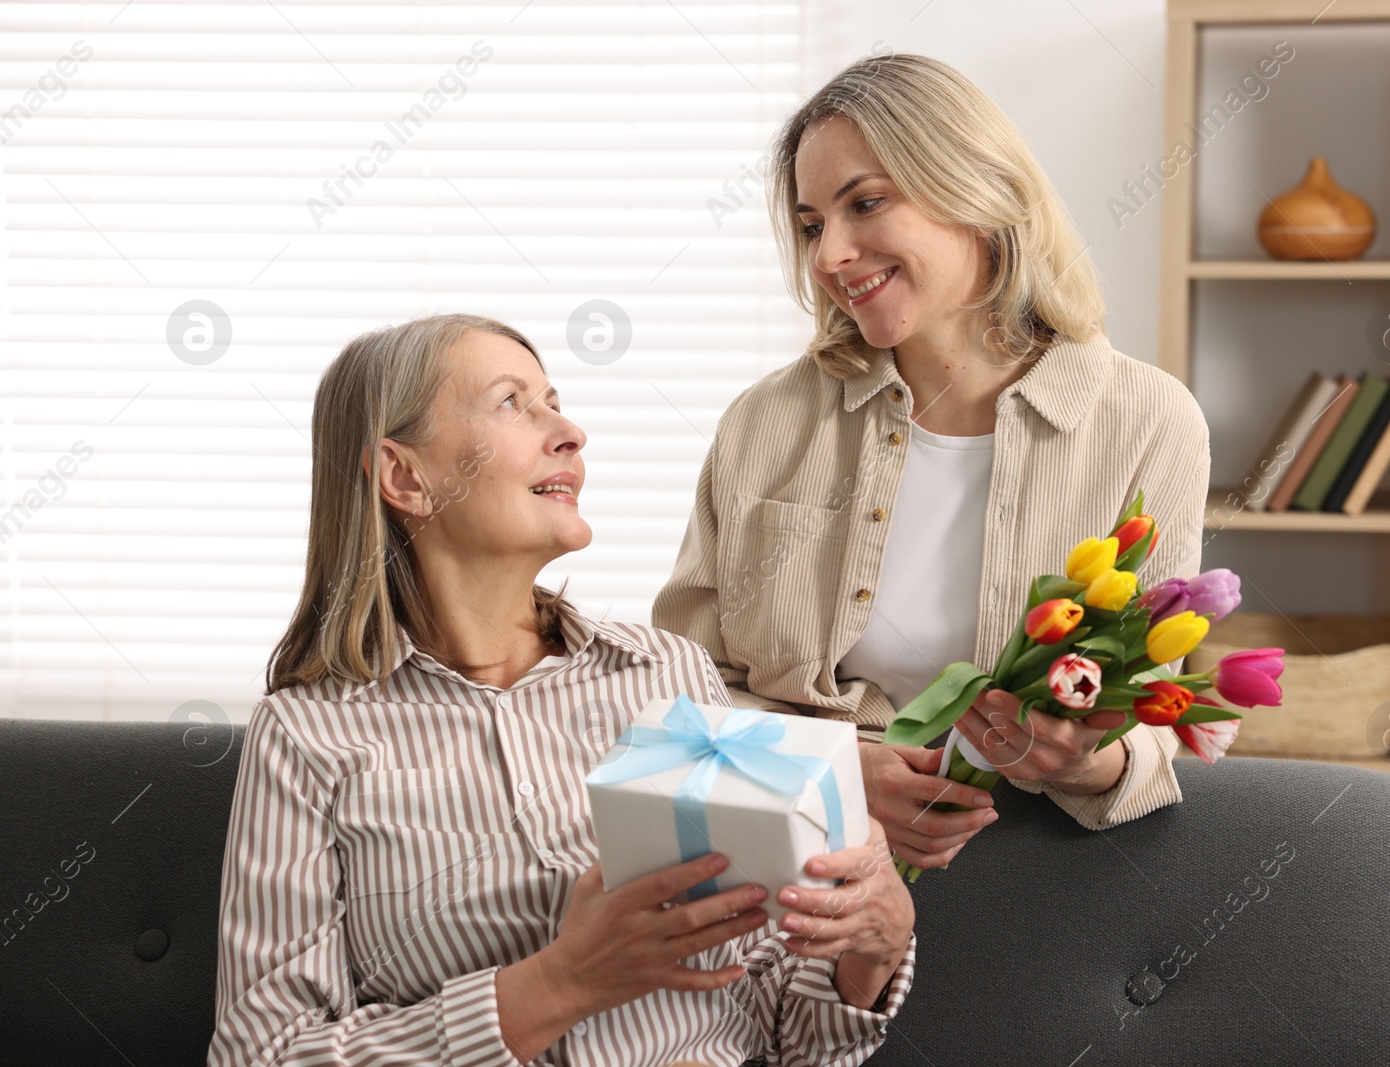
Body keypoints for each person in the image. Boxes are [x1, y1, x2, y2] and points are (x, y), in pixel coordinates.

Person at [208, 314, 915, 1067]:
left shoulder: (665, 675)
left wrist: (871, 947)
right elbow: (263, 1054)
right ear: (404, 476)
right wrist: (558, 983)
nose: (570, 431)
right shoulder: (306, 734)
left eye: (555, 400)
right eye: (513, 402)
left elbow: (788, 1031)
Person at [653, 53, 1210, 874]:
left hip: (1041, 878)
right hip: (798, 873)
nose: (829, 255)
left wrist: (1086, 758)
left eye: (866, 204)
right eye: (811, 226)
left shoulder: (1149, 423)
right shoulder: (766, 424)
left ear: (980, 194)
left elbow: (1152, 713)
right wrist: (832, 770)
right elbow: (681, 696)